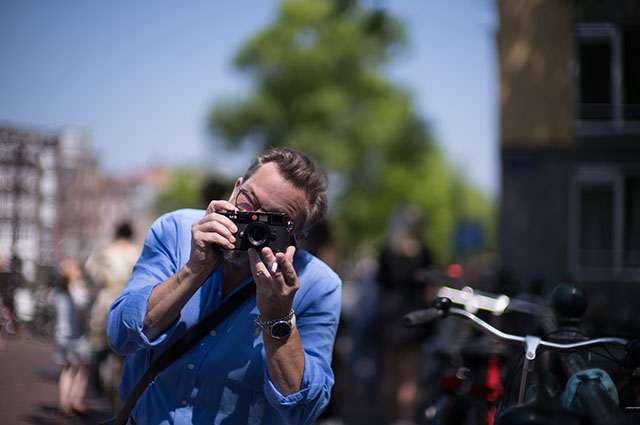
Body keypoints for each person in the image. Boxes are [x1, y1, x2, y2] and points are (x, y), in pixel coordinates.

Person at [107, 147, 342, 425]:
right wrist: (193, 271)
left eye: (272, 221)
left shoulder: (318, 286)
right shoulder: (176, 231)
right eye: (248, 201)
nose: (251, 222)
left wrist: (278, 318)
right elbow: (121, 335)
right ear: (236, 188)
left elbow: (303, 409)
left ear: (299, 235)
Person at [374, 204, 435, 425]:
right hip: (414, 315)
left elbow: (379, 283)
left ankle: (392, 419)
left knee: (390, 375)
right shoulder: (424, 252)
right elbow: (429, 289)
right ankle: (406, 420)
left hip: (389, 315)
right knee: (410, 378)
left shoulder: (387, 251)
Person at [85, 221, 141, 414]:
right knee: (128, 357)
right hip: (131, 303)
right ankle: (123, 407)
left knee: (105, 352)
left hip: (106, 302)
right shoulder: (138, 251)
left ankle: (110, 404)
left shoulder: (104, 252)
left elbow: (91, 275)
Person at [52, 258, 92, 417]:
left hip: (61, 334)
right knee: (82, 369)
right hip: (77, 335)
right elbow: (82, 309)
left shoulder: (58, 290)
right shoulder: (77, 290)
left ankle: (64, 404)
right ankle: (76, 400)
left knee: (67, 370)